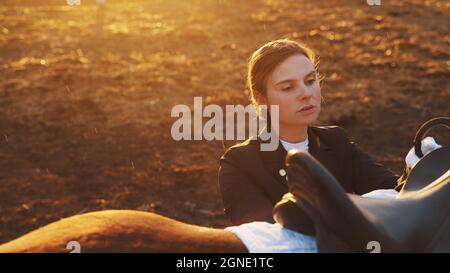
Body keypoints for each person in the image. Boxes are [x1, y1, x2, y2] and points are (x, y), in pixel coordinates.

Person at [219, 38, 405, 226]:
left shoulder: (335, 141)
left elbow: (397, 192)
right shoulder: (240, 164)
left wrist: (419, 169)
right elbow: (266, 236)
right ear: (261, 99)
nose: (306, 93)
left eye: (310, 81)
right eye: (288, 87)